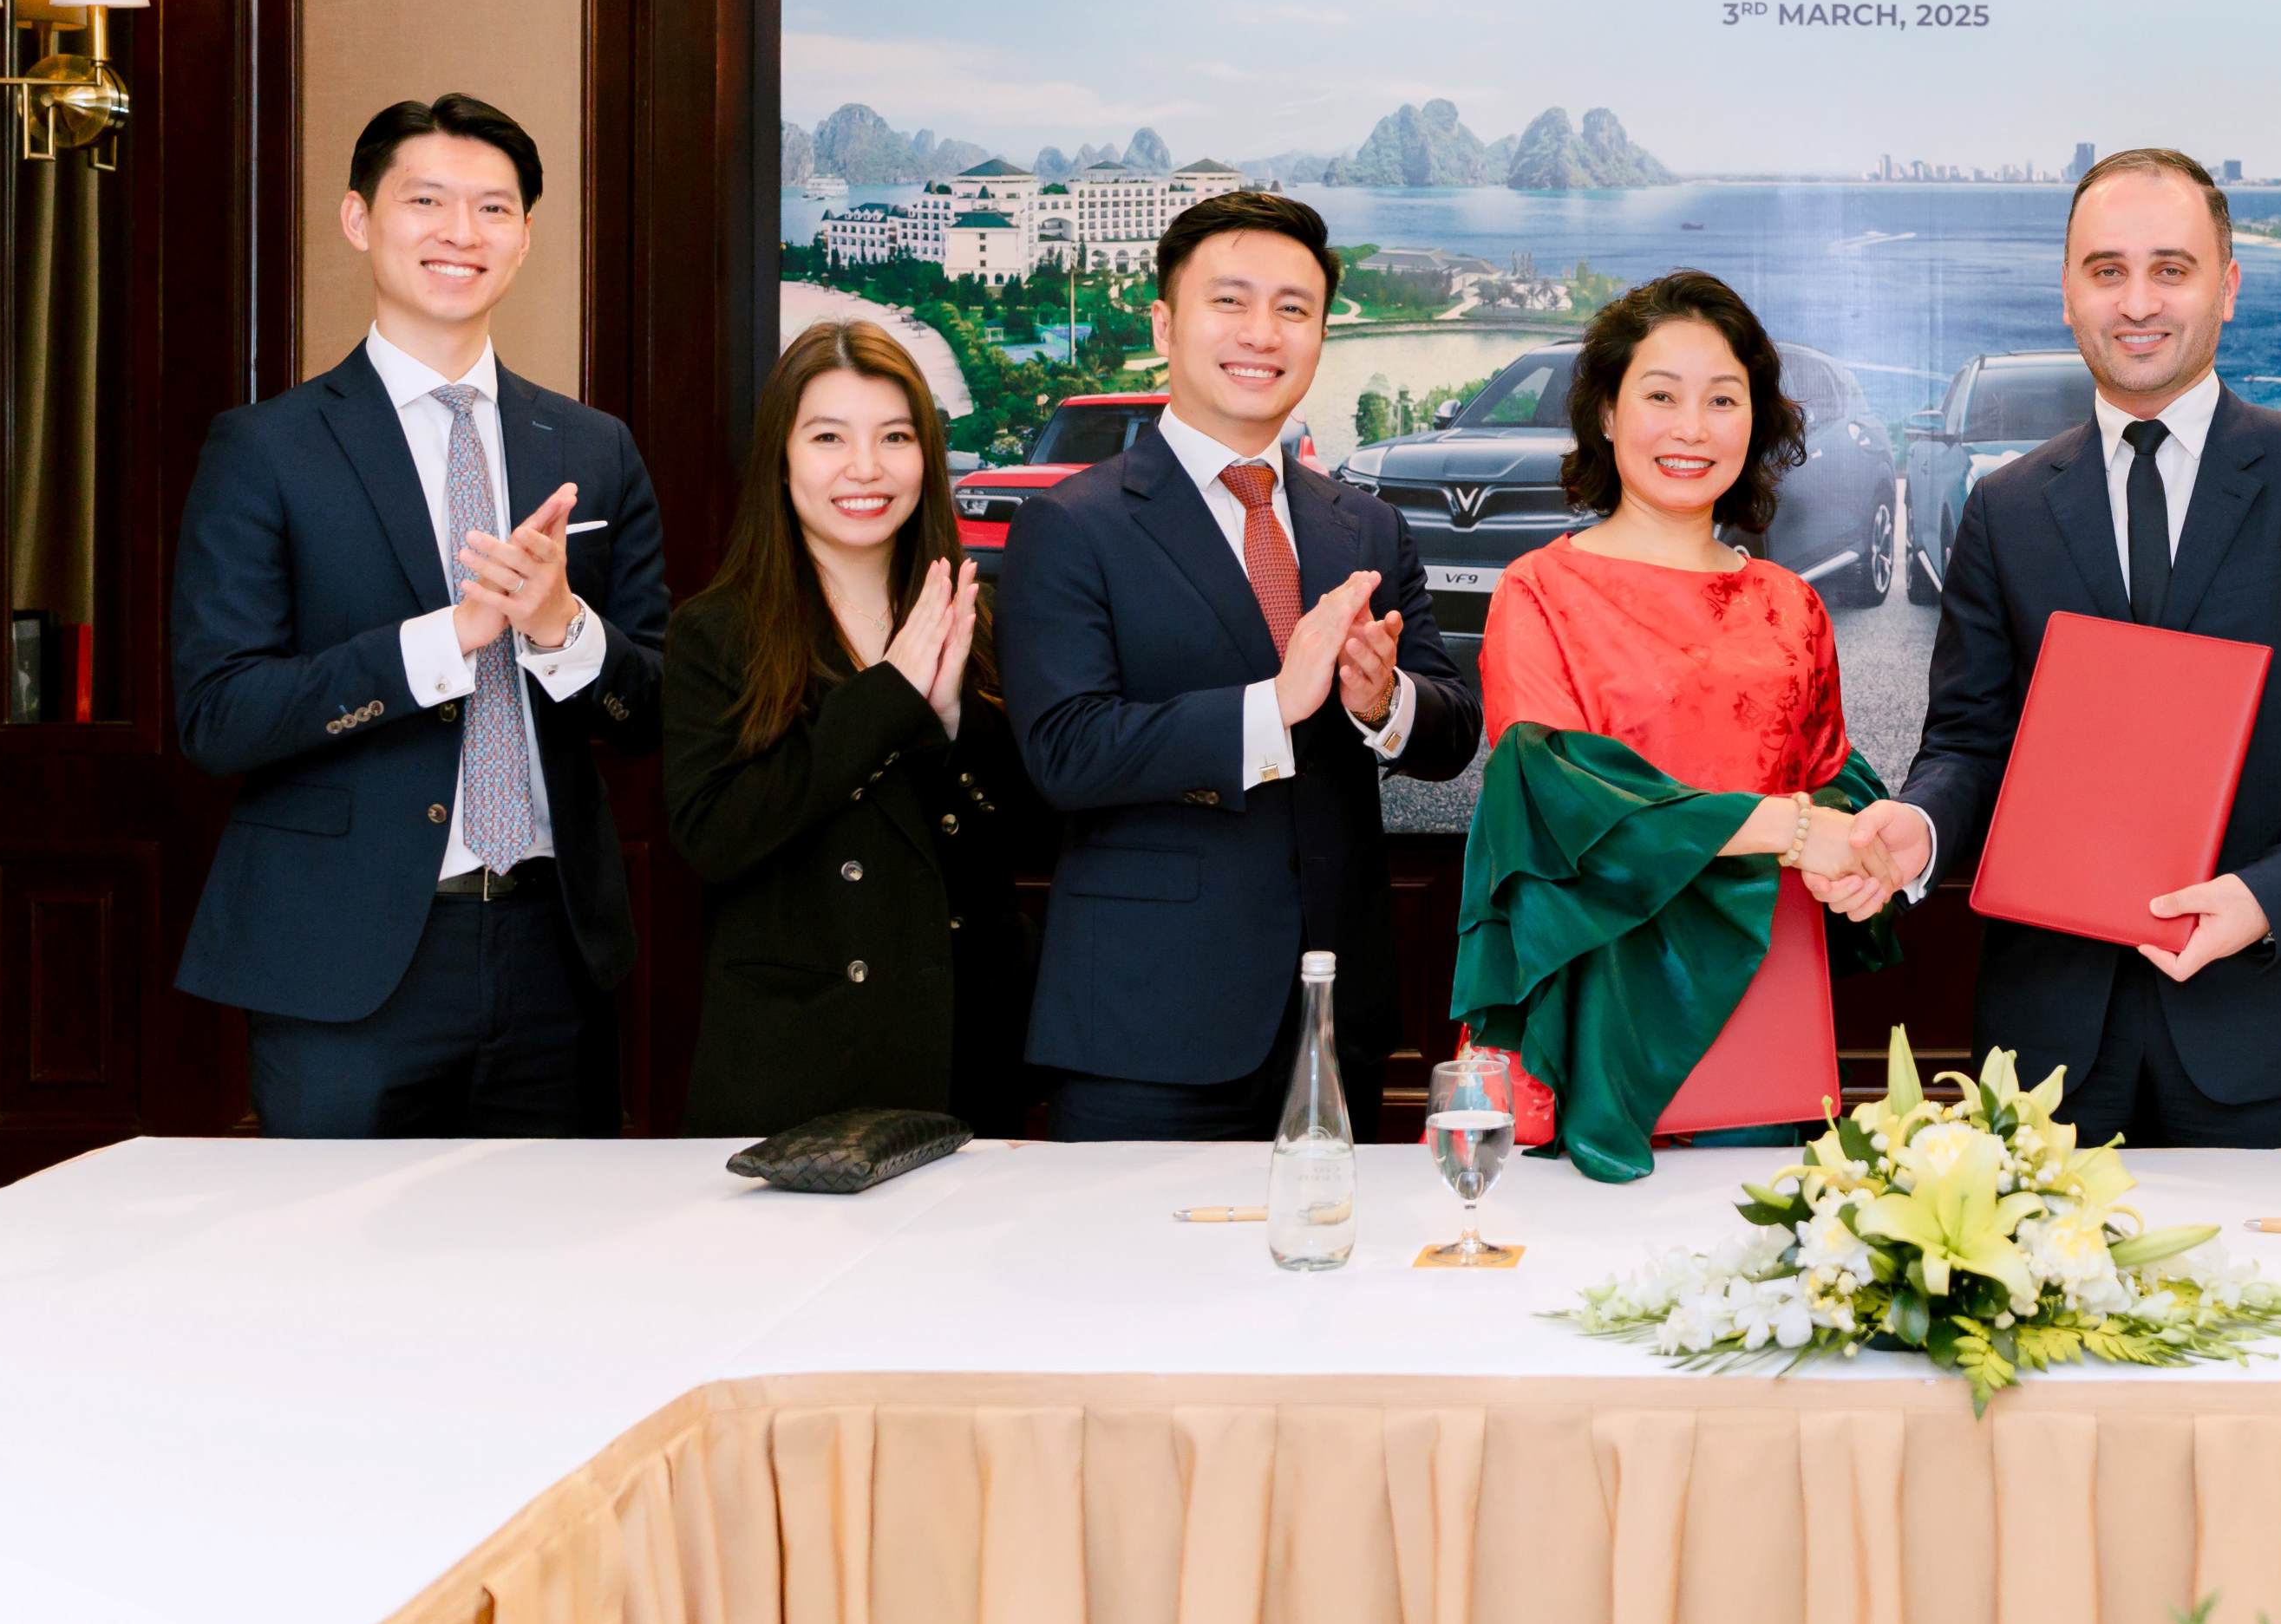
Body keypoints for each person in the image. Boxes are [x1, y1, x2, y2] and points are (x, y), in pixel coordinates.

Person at [1850, 149, 2281, 1147]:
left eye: (2171, 269)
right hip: (2045, 1041)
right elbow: (1967, 740)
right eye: (2106, 270)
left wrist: (2265, 896)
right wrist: (1921, 825)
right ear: (2068, 293)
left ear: (2227, 288)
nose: (2138, 302)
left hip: (2259, 1016)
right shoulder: (2007, 507)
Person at [171, 94, 670, 1135]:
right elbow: (219, 714)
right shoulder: (267, 449)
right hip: (345, 960)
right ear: (359, 220)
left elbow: (657, 714)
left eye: (494, 209)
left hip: (553, 954)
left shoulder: (591, 448)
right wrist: (440, 644)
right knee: (337, 1282)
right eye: (427, 201)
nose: (460, 233)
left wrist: (562, 633)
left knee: (548, 1279)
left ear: (526, 237)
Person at [999, 190, 1479, 1137]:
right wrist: (1272, 706)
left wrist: (1384, 702)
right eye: (1231, 302)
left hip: (1337, 1012)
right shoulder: (1072, 523)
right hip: (1146, 1020)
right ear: (1164, 322)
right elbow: (1064, 751)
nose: (1263, 333)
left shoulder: (1365, 524)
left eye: (1293, 310)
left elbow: (1450, 730)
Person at [1448, 273, 1908, 1177]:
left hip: (1756, 1004)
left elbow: (1831, 777)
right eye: (1659, 396)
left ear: (1755, 423)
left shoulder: (1788, 606)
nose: (1691, 428)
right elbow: (1561, 802)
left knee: (1749, 1282)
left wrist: (1865, 861)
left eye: (1722, 400)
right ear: (1608, 415)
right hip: (1593, 1006)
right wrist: (1796, 829)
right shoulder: (1539, 593)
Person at [667, 322, 1051, 1139]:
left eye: (896, 437)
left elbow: (1034, 830)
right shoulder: (716, 631)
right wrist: (889, 698)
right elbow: (714, 838)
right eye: (830, 437)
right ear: (781, 456)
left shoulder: (977, 621)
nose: (866, 468)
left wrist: (949, 719)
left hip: (962, 1047)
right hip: (798, 1056)